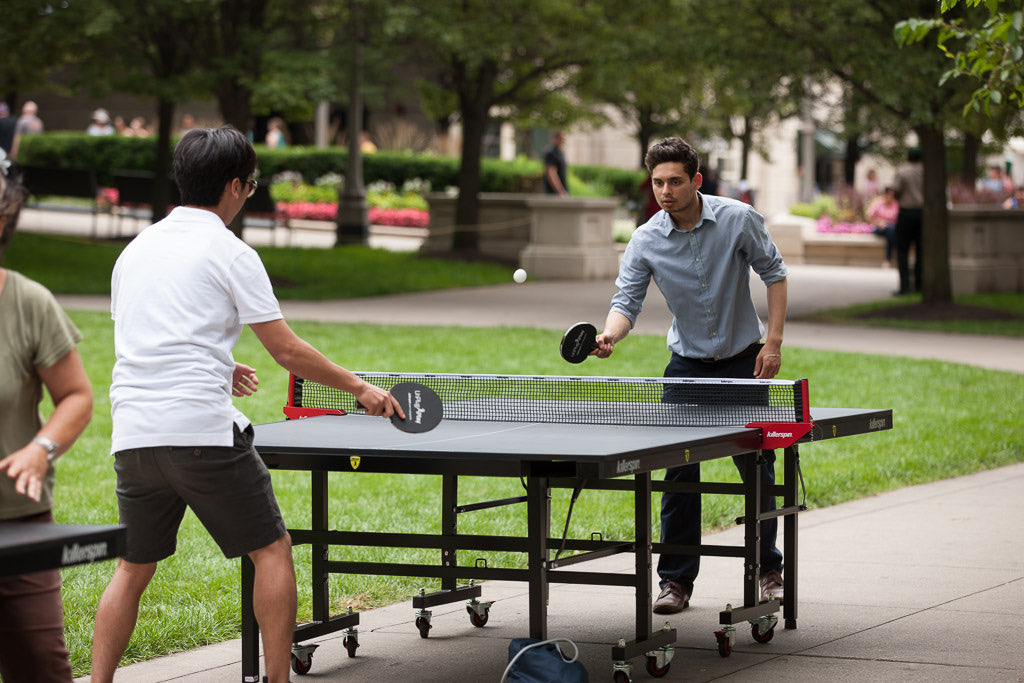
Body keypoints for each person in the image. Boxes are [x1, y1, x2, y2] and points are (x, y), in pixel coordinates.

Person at [90, 126, 404, 683]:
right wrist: (359, 388)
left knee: (133, 568)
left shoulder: (134, 250)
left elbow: (151, 335)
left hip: (134, 438)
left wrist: (220, 361)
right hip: (200, 436)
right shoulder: (231, 253)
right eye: (251, 186)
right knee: (273, 550)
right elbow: (285, 349)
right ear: (234, 186)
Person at [591, 137, 788, 614]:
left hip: (744, 364)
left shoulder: (738, 218)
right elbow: (626, 302)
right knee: (678, 476)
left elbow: (774, 273)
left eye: (675, 181)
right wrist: (610, 335)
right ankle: (675, 582)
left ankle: (768, 569)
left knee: (757, 471)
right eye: (658, 182)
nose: (665, 191)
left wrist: (774, 342)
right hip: (686, 368)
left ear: (696, 180)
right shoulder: (645, 239)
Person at [0, 150, 95, 683]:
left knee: (40, 668)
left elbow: (76, 396)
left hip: (18, 521)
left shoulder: (29, 303)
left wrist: (41, 448)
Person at [893, 147, 924, 295]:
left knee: (903, 251)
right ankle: (919, 285)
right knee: (921, 250)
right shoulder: (927, 171)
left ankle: (905, 286)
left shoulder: (903, 171)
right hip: (923, 213)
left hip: (906, 212)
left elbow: (896, 190)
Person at [866, 186, 899, 267]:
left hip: (891, 228)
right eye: (888, 194)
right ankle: (888, 259)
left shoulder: (896, 204)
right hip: (879, 227)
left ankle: (887, 260)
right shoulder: (878, 202)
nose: (890, 197)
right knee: (891, 231)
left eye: (892, 195)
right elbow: (869, 216)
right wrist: (879, 222)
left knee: (890, 230)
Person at [542, 131, 569, 197]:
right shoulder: (551, 153)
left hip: (563, 190)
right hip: (554, 193)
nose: (563, 141)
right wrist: (560, 191)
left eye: (564, 139)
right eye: (561, 139)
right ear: (555, 138)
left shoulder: (560, 152)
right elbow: (551, 173)